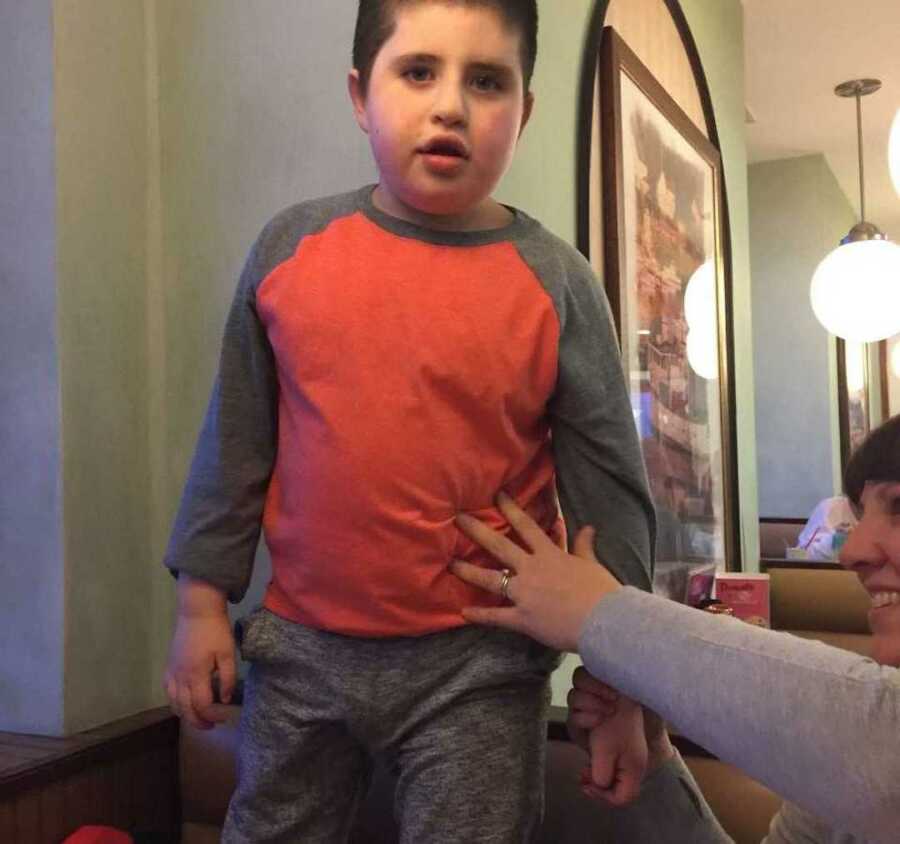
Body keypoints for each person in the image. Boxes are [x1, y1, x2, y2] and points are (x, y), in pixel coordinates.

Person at [162, 2, 657, 841]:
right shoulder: (290, 250)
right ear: (362, 95)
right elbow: (236, 443)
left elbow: (610, 497)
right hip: (300, 652)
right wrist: (200, 605)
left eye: (488, 81)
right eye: (418, 72)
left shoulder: (560, 284)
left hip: (480, 666)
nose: (451, 106)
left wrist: (623, 684)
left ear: (525, 112)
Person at [452, 414, 900, 843]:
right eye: (861, 515)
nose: (853, 550)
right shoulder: (835, 781)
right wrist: (652, 762)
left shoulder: (868, 757)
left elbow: (886, 744)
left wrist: (599, 616)